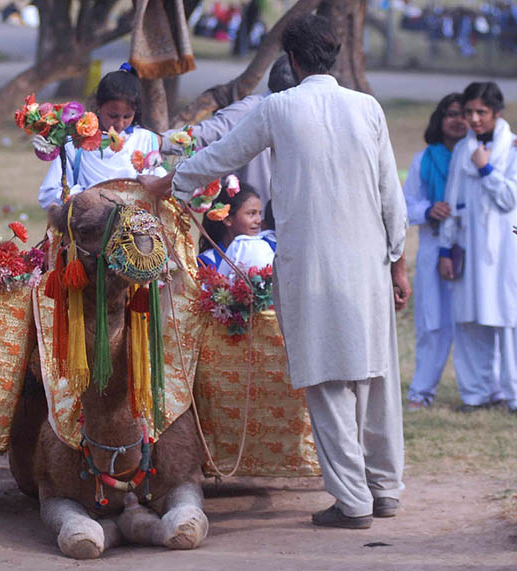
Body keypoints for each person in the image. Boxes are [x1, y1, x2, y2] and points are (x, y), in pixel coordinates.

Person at [141, 14, 409, 530]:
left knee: (327, 377)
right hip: (370, 260)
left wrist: (166, 184)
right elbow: (389, 195)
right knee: (375, 374)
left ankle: (354, 502)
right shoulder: (367, 107)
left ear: (291, 59)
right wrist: (397, 261)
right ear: (333, 55)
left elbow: (220, 156)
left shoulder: (280, 107)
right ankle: (385, 489)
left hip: (312, 264)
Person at [438, 82, 517, 416]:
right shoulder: (464, 148)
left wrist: (486, 168)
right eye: (469, 112)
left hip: (505, 247)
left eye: (481, 112)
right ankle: (476, 392)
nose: (474, 119)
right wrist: (445, 249)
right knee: (470, 319)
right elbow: (452, 198)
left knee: (509, 319)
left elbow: (509, 197)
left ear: (497, 113)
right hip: (470, 246)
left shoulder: (515, 148)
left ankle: (516, 395)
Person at [160, 53, 296, 214]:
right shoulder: (250, 110)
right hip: (250, 224)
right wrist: (156, 141)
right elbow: (205, 135)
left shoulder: (302, 117)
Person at [404, 94, 468, 410]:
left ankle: (486, 391)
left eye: (464, 114)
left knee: (478, 320)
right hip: (433, 247)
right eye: (451, 114)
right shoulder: (424, 160)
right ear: (439, 119)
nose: (458, 120)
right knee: (432, 322)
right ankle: (422, 391)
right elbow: (406, 205)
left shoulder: (482, 157)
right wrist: (429, 210)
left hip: (474, 248)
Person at [38, 64, 166, 209]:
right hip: (85, 226)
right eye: (113, 116)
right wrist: (84, 198)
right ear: (99, 106)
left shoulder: (146, 140)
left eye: (127, 116)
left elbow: (162, 187)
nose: (119, 123)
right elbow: (49, 194)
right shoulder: (75, 142)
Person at [197, 180, 274, 278]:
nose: (259, 220)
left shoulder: (268, 248)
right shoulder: (207, 262)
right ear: (227, 219)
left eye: (259, 213)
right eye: (251, 213)